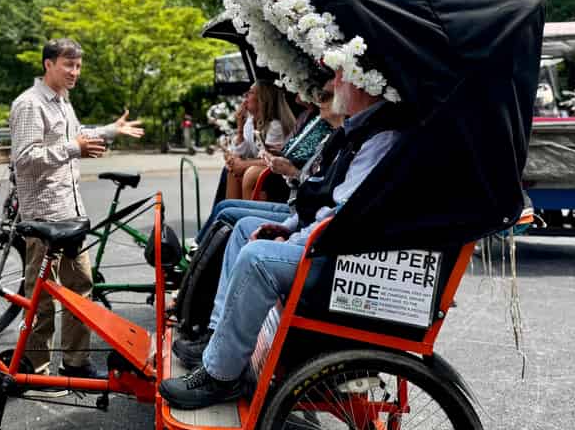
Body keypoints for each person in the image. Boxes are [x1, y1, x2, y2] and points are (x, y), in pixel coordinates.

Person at [160, 68, 402, 409]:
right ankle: (218, 339)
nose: (334, 83)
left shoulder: (380, 135)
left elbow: (342, 215)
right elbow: (324, 199)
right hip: (330, 240)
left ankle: (221, 376)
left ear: (364, 85)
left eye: (342, 75)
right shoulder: (358, 128)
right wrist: (288, 227)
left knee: (257, 257)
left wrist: (294, 238)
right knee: (245, 230)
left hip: (343, 257)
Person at [9, 37, 144, 379]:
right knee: (40, 298)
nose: (75, 72)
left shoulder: (61, 101)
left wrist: (111, 131)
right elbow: (24, 160)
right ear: (48, 64)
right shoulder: (29, 104)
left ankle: (76, 362)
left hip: (70, 213)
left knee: (80, 289)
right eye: (68, 65)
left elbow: (76, 136)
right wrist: (73, 148)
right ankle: (36, 370)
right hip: (44, 216)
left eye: (78, 66)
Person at [194, 79, 340, 244]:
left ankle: (207, 250)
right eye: (317, 94)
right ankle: (201, 250)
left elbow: (320, 193)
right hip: (299, 209)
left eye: (324, 96)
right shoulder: (316, 124)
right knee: (225, 202)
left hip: (301, 211)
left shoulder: (334, 137)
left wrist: (290, 169)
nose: (318, 99)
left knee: (239, 206)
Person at [225, 80, 296, 200]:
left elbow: (270, 159)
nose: (245, 97)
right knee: (232, 172)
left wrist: (242, 164)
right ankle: (232, 216)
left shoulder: (275, 125)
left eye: (250, 93)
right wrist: (240, 127)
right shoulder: (249, 122)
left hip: (277, 175)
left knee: (247, 173)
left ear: (262, 99)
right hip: (261, 167)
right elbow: (241, 153)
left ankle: (243, 213)